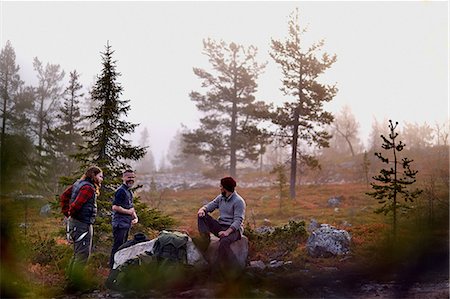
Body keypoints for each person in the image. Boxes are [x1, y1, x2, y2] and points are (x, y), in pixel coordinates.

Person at [197, 176, 246, 271]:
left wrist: (227, 232)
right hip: (220, 226)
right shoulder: (221, 198)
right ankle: (205, 239)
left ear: (225, 188)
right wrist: (202, 209)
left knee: (224, 242)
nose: (220, 188)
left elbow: (238, 221)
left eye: (221, 186)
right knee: (202, 216)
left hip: (234, 230)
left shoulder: (239, 201)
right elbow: (210, 206)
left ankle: (220, 268)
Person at [60, 166, 103, 272]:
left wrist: (68, 215)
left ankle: (70, 281)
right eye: (100, 176)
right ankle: (74, 284)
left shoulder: (78, 184)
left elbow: (64, 196)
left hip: (77, 223)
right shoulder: (88, 188)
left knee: (77, 254)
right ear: (94, 175)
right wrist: (70, 214)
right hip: (82, 225)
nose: (102, 179)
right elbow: (76, 205)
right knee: (82, 256)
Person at [109, 169, 138, 269]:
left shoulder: (129, 192)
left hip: (126, 224)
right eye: (129, 177)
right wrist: (128, 212)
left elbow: (131, 207)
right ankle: (112, 267)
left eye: (133, 177)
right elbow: (115, 207)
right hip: (119, 224)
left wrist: (135, 217)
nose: (131, 179)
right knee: (118, 247)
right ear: (123, 178)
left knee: (123, 247)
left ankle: (119, 267)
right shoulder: (121, 191)